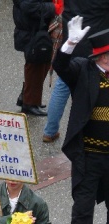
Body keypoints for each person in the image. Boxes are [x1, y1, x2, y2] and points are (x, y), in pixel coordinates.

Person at [53, 16, 109, 224]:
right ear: (100, 57)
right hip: (88, 156)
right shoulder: (83, 70)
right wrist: (70, 43)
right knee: (83, 209)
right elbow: (60, 66)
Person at [42, 0, 109, 142]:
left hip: (71, 41)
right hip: (95, 47)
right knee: (95, 91)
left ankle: (50, 131)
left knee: (62, 86)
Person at [13, 0, 62, 116]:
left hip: (34, 28)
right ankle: (29, 104)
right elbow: (29, 6)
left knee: (41, 64)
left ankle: (26, 96)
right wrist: (53, 8)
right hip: (32, 30)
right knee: (35, 65)